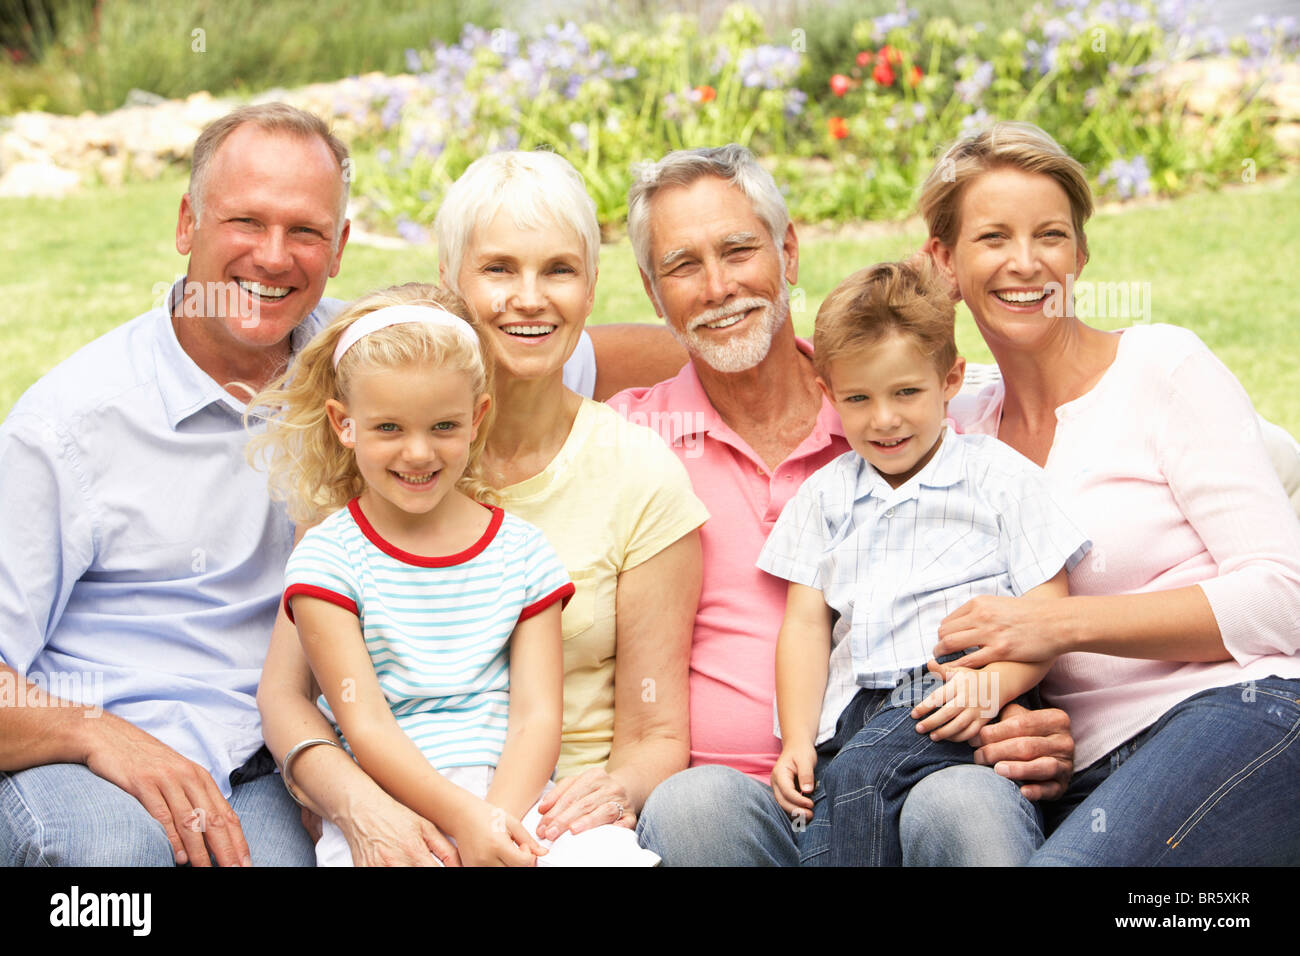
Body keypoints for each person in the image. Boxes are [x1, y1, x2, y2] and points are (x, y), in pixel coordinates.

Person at [607, 144, 1078, 866]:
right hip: (752, 797)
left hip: (938, 756)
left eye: (739, 249)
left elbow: (1047, 611)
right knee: (690, 807)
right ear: (650, 289)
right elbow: (501, 364)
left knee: (964, 806)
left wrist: (1018, 701)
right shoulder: (630, 440)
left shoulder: (953, 418)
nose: (717, 286)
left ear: (789, 251)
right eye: (682, 266)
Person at [255, 150, 706, 864]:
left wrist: (607, 791)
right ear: (451, 280)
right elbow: (288, 696)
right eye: (498, 269)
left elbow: (657, 732)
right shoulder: (384, 461)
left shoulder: (639, 472)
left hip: (550, 816)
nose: (529, 297)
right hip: (396, 809)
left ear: (590, 287)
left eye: (559, 269)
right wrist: (358, 803)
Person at [915, 120, 1300, 864]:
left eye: (1051, 235)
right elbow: (845, 359)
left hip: (1239, 713)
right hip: (1082, 772)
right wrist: (1021, 716)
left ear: (1081, 254)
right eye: (991, 238)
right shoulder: (953, 426)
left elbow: (1285, 595)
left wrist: (1062, 627)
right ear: (944, 260)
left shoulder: (1161, 367)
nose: (1025, 264)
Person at [0, 103, 353, 866]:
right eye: (245, 222)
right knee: (110, 869)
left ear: (341, 247)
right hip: (90, 748)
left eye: (305, 232)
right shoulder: (68, 424)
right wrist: (95, 733)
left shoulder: (367, 366)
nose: (272, 256)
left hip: (266, 751)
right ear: (188, 224)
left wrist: (679, 332)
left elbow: (535, 354)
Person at [763, 260, 1090, 866]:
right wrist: (798, 739)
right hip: (856, 717)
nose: (884, 419)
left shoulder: (999, 479)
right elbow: (806, 626)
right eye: (858, 399)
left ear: (951, 379)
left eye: (906, 392)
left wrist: (990, 686)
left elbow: (1051, 615)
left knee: (860, 775)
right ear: (827, 394)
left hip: (963, 693)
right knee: (845, 778)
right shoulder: (825, 495)